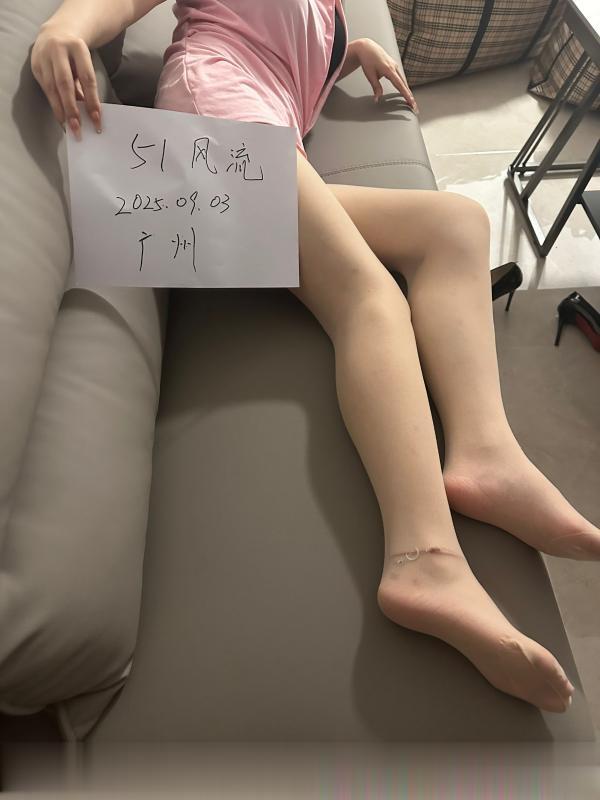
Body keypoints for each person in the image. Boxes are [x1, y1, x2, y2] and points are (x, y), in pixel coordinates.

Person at [31, 0, 600, 716]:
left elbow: (284, 26)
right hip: (215, 134)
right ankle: (424, 559)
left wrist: (343, 52)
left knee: (457, 225)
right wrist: (68, 27)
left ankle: (486, 454)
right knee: (367, 296)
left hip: (249, 141)